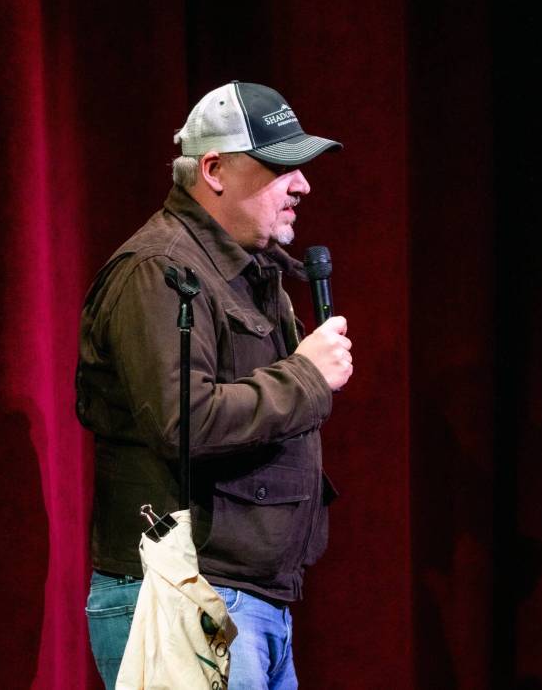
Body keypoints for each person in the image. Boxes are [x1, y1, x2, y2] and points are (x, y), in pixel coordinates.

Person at [76, 81, 353, 689]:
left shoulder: (248, 271)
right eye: (281, 167)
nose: (302, 185)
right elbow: (185, 420)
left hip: (245, 601)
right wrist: (306, 375)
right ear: (213, 170)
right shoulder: (159, 271)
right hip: (183, 597)